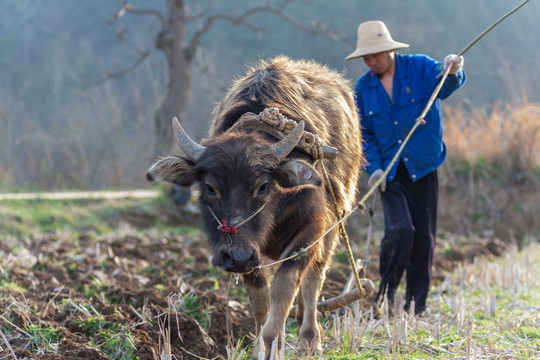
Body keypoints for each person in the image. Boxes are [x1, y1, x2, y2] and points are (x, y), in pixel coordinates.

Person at [345, 20, 466, 314]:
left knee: (423, 237)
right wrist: (373, 168)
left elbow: (448, 84)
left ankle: (416, 304)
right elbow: (364, 136)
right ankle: (385, 294)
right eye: (367, 57)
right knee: (400, 230)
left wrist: (454, 68)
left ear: (389, 50)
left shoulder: (420, 67)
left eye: (377, 55)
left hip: (423, 165)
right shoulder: (363, 89)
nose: (372, 61)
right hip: (389, 172)